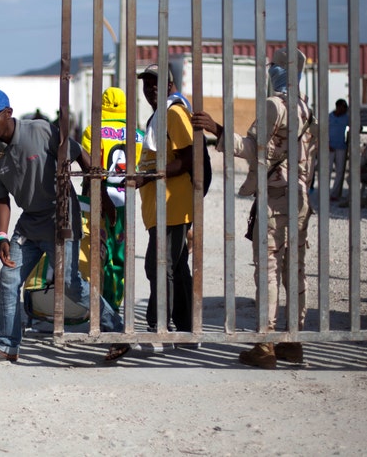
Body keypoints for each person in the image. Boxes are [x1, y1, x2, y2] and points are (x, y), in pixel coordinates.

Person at [0, 88, 128, 364]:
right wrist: (1, 236)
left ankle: (117, 331)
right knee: (9, 279)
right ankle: (8, 345)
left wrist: (100, 190)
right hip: (30, 223)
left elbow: (80, 154)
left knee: (71, 284)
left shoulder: (41, 131)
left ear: (9, 113)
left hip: (62, 216)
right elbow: (0, 197)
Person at [192, 47, 318, 369]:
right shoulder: (307, 109)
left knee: (269, 270)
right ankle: (294, 341)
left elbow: (252, 149)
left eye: (273, 68)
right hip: (301, 199)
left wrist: (218, 130)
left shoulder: (274, 105)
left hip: (276, 198)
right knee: (296, 270)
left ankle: (265, 343)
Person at [134, 63, 195, 348]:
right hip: (161, 207)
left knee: (159, 266)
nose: (149, 90)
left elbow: (188, 158)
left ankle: (159, 327)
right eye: (146, 85)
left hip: (171, 205)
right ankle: (186, 329)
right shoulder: (161, 115)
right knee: (175, 267)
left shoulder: (173, 113)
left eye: (155, 84)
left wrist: (148, 176)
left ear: (170, 84)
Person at [79, 86, 143, 312]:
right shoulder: (138, 134)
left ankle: (98, 306)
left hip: (100, 199)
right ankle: (114, 304)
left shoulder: (92, 131)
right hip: (126, 202)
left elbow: (89, 168)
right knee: (120, 255)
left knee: (96, 252)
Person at [328, 99, 349, 201]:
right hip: (329, 147)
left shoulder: (346, 118)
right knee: (326, 171)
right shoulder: (329, 117)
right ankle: (325, 192)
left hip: (341, 147)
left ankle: (335, 194)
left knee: (340, 172)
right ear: (338, 107)